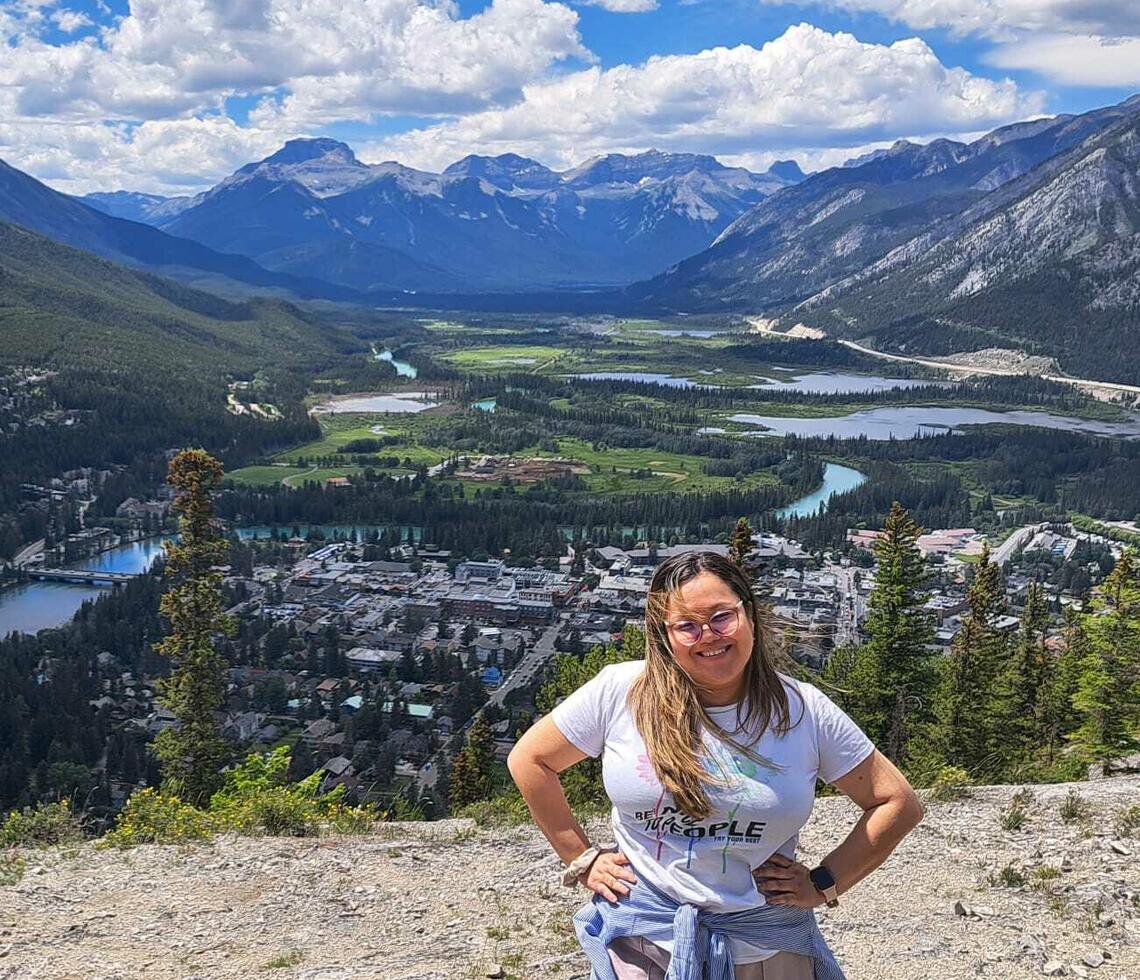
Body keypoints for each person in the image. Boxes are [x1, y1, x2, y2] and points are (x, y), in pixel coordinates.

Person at [508, 550, 924, 979]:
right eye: (686, 626)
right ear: (664, 636)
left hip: (764, 945)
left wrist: (824, 882)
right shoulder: (621, 691)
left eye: (722, 617)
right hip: (644, 941)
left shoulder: (803, 710)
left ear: (750, 615)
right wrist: (582, 857)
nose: (708, 635)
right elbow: (531, 760)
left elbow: (897, 802)